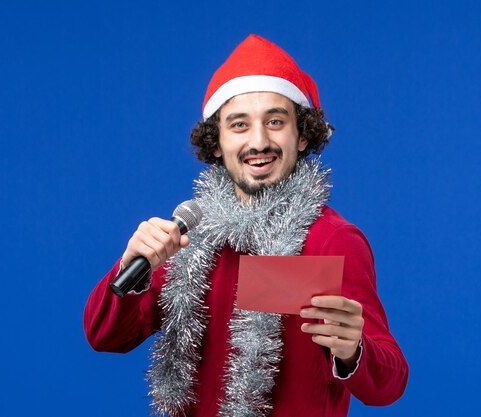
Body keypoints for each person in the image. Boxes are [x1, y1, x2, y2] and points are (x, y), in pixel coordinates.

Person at [84, 34, 408, 417]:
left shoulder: (331, 241)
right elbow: (105, 336)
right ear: (216, 142)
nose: (259, 141)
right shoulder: (187, 236)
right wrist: (131, 267)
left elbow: (389, 384)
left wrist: (354, 351)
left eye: (275, 121)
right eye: (239, 124)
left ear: (302, 136)